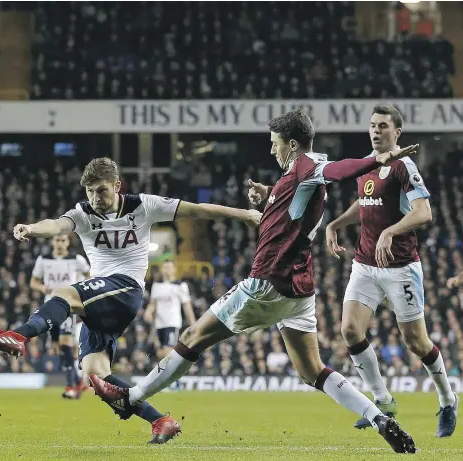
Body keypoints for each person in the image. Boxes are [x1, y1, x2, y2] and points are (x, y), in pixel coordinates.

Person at [88, 110, 418, 454]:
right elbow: (300, 195)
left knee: (192, 337)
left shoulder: (307, 167)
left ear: (291, 144)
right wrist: (270, 194)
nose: (272, 151)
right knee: (312, 371)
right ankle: (379, 417)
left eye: (275, 144)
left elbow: (337, 170)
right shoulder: (295, 176)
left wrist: (382, 158)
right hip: (300, 288)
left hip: (267, 282)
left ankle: (131, 398)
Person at [0, 157, 262, 444]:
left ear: (117, 185)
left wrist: (245, 214)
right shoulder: (83, 214)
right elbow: (57, 225)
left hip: (126, 290)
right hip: (101, 300)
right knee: (98, 378)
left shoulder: (143, 205)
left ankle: (18, 336)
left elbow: (197, 210)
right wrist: (32, 228)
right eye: (89, 192)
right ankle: (161, 421)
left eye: (101, 190)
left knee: (65, 294)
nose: (95, 198)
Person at [326, 104, 458, 436]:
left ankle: (447, 399)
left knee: (417, 341)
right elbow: (366, 202)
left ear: (396, 132)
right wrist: (337, 223)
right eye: (372, 125)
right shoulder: (369, 165)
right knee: (350, 331)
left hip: (400, 267)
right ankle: (383, 400)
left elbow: (423, 212)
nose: (376, 130)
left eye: (383, 126)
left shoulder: (403, 166)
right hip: (365, 265)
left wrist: (390, 231)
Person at [30, 234, 90, 399]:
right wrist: (43, 288)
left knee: (65, 344)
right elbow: (33, 282)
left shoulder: (76, 259)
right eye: (57, 240)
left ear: (68, 242)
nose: (60, 243)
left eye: (63, 240)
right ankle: (78, 381)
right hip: (49, 306)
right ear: (52, 241)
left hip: (67, 306)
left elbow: (89, 276)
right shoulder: (43, 260)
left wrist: (80, 292)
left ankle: (71, 386)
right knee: (59, 347)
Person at [144, 260, 195, 362]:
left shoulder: (180, 285)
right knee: (160, 354)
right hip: (158, 325)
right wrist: (148, 312)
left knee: (168, 352)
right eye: (165, 267)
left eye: (169, 267)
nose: (167, 270)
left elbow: (187, 307)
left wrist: (193, 325)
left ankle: (175, 377)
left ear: (174, 270)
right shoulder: (156, 286)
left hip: (172, 323)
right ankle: (173, 376)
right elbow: (153, 304)